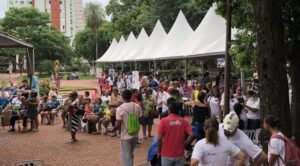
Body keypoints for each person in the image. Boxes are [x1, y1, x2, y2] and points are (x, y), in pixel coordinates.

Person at [109, 90, 142, 166]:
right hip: (135, 134)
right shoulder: (137, 106)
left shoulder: (120, 108)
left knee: (126, 156)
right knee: (130, 154)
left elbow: (118, 125)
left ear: (123, 97)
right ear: (131, 96)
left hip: (125, 136)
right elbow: (140, 118)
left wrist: (112, 130)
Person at [157, 100, 194, 166]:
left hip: (166, 154)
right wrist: (185, 144)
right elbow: (192, 135)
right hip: (180, 154)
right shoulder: (184, 121)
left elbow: (159, 139)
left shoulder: (163, 121)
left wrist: (159, 151)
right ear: (178, 111)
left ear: (169, 110)